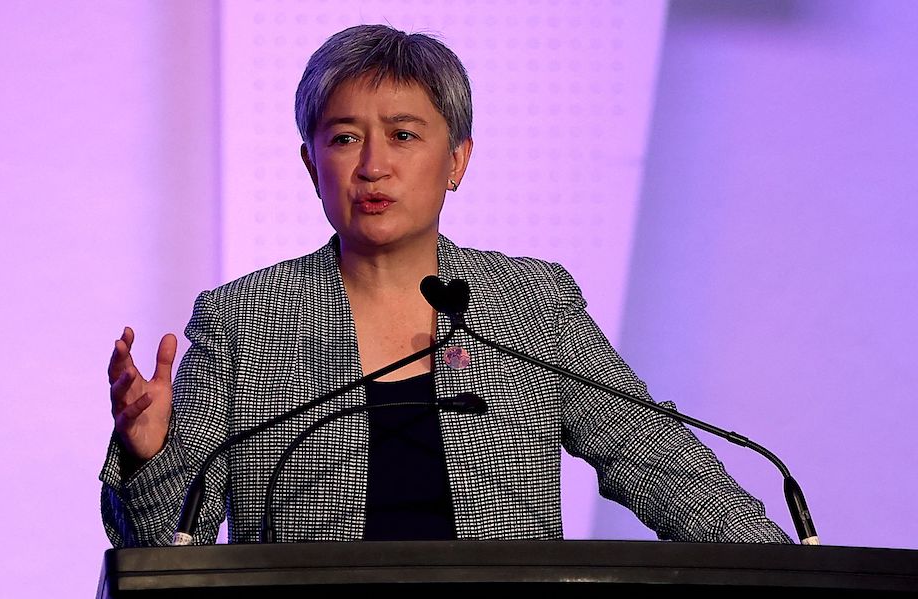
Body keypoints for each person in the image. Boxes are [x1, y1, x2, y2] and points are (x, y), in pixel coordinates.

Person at [100, 24, 792, 546]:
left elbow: (656, 459)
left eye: (403, 135)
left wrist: (789, 571)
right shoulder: (243, 319)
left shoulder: (531, 303)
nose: (372, 166)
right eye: (343, 138)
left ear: (456, 159)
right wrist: (148, 453)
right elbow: (165, 548)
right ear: (312, 165)